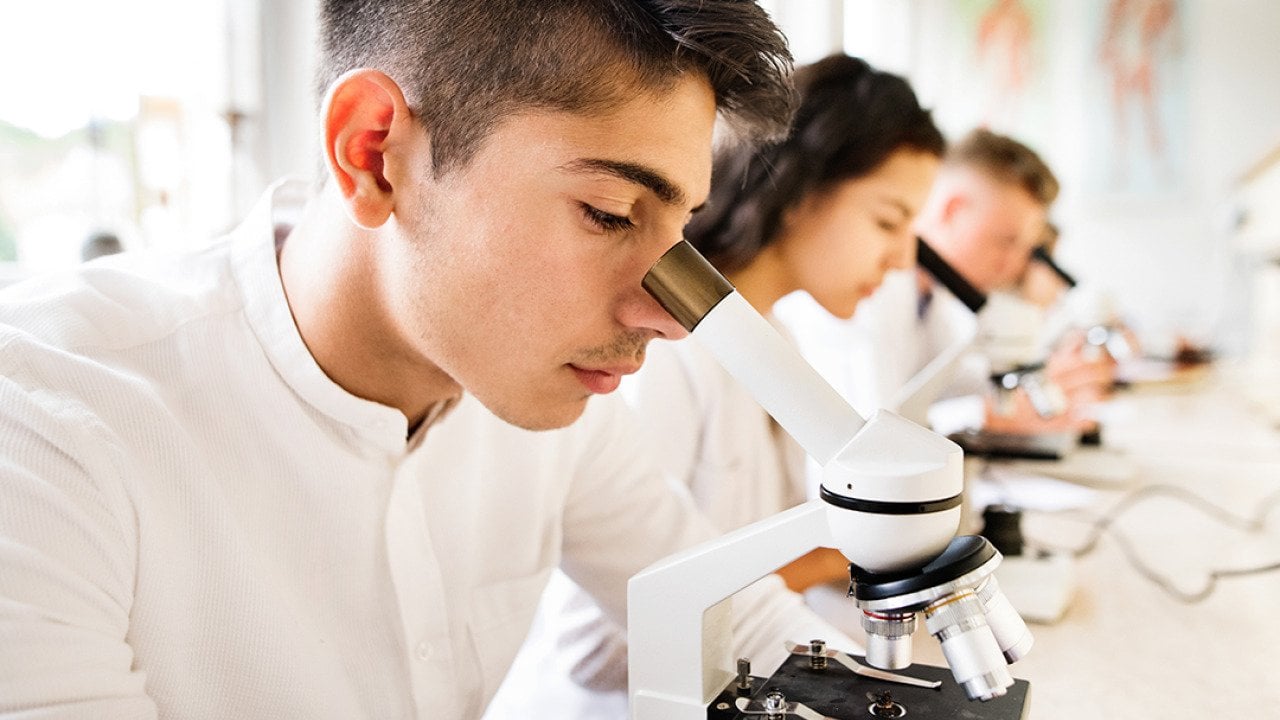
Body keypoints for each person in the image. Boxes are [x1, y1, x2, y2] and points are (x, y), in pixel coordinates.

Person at [0, 3, 856, 717]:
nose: (668, 315)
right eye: (607, 213)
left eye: (681, 234)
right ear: (373, 153)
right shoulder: (45, 427)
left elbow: (731, 623)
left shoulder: (554, 407)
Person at [486, 54, 946, 718]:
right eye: (887, 220)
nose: (904, 259)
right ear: (802, 191)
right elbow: (593, 646)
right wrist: (829, 562)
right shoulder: (660, 351)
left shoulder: (776, 345)